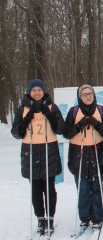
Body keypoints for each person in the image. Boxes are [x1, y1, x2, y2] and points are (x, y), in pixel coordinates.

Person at [11, 79, 65, 235]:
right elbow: (16, 133)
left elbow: (60, 128)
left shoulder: (51, 107)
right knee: (35, 189)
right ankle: (40, 218)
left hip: (49, 150)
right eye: (33, 90)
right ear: (29, 92)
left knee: (49, 188)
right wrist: (28, 117)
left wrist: (47, 113)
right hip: (31, 151)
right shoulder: (23, 108)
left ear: (43, 91)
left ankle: (50, 218)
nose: (36, 93)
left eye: (39, 90)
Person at [64, 84, 103, 230]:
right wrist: (79, 126)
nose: (88, 96)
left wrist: (96, 124)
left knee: (96, 185)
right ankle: (84, 217)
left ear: (94, 95)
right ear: (80, 96)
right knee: (83, 186)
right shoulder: (73, 111)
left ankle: (97, 217)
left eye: (90, 93)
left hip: (97, 149)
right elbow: (66, 133)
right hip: (79, 151)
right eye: (84, 94)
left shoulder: (102, 110)